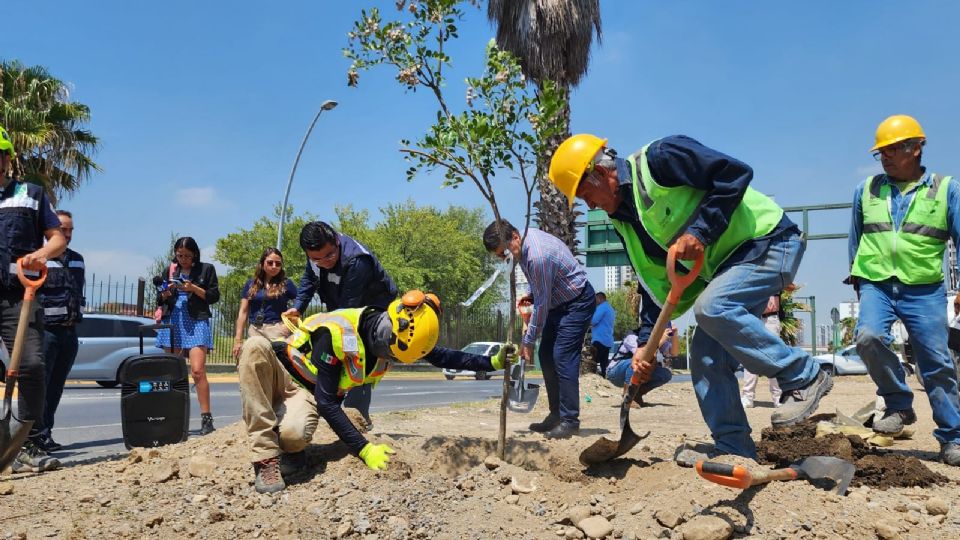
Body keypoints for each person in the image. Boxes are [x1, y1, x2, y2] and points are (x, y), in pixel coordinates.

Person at [548, 133, 832, 463]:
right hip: (728, 269)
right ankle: (734, 448)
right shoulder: (625, 222)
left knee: (712, 307)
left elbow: (734, 173)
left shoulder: (659, 160)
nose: (591, 205)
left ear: (600, 171)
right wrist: (645, 344)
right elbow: (655, 284)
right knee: (705, 356)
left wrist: (700, 231)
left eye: (585, 194)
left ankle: (804, 375)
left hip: (768, 242)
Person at [240, 290, 516, 493]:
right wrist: (364, 448)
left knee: (294, 436)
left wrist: (491, 361)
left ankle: (289, 448)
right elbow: (327, 402)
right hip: (279, 373)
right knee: (254, 347)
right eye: (391, 352)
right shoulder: (336, 333)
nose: (390, 357)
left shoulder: (395, 340)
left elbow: (445, 357)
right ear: (391, 326)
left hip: (305, 395)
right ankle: (265, 458)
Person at [848, 114, 960, 466]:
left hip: (923, 288)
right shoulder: (865, 189)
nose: (885, 157)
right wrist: (859, 281)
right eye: (881, 152)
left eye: (892, 149)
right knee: (866, 336)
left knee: (936, 364)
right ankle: (898, 404)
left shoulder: (945, 189)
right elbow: (856, 239)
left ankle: (952, 438)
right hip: (876, 282)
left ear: (916, 148)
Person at [482, 219, 596, 439]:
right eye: (498, 255)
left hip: (576, 303)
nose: (502, 258)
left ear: (515, 237)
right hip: (558, 302)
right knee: (546, 355)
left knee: (562, 356)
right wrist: (531, 297)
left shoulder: (537, 256)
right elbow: (542, 292)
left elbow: (542, 304)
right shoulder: (522, 248)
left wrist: (528, 340)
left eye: (503, 252)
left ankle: (570, 421)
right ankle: (556, 415)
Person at [283, 221, 398, 426]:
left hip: (372, 309)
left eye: (329, 256)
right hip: (344, 307)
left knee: (359, 357)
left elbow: (348, 307)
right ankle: (335, 413)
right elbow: (309, 281)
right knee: (334, 353)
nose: (324, 262)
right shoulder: (316, 259)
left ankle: (358, 418)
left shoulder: (356, 260)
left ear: (336, 240)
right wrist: (298, 307)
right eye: (316, 259)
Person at [0, 125, 67, 473]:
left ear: (8, 158)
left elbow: (57, 239)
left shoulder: (31, 193)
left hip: (17, 298)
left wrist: (41, 255)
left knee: (31, 366)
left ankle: (17, 446)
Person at [156, 237, 220, 435]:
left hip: (196, 319)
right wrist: (165, 294)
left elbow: (214, 296)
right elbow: (160, 296)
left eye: (187, 256)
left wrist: (193, 288)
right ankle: (173, 418)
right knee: (172, 372)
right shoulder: (170, 270)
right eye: (179, 255)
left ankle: (206, 418)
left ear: (195, 254)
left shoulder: (206, 269)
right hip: (173, 318)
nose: (183, 259)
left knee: (198, 371)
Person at [36, 210, 85, 452]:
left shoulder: (77, 259)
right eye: (63, 229)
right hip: (46, 332)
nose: (67, 234)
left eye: (70, 230)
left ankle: (47, 433)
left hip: (70, 332)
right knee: (41, 386)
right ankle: (36, 436)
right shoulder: (39, 258)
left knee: (56, 386)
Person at [232, 247, 297, 353]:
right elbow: (243, 312)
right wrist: (238, 340)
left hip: (277, 329)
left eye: (278, 264)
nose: (274, 266)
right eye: (270, 263)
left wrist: (288, 325)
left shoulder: (286, 283)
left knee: (278, 364)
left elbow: (299, 305)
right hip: (255, 330)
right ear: (262, 264)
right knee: (253, 363)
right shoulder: (250, 284)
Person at [606, 322, 676, 407]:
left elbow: (674, 353)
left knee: (665, 374)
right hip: (616, 373)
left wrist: (675, 334)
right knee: (638, 362)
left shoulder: (660, 340)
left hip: (634, 371)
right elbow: (643, 355)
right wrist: (661, 341)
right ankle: (627, 396)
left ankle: (637, 395)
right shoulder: (632, 337)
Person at [740, 295, 783, 408]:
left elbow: (790, 286)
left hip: (770, 317)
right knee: (750, 357)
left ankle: (778, 397)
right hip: (751, 317)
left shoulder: (775, 277)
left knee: (774, 358)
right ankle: (747, 397)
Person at [590, 292, 616, 375]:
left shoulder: (602, 307)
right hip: (607, 340)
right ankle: (604, 378)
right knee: (603, 365)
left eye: (595, 299)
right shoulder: (610, 308)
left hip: (599, 340)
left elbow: (593, 321)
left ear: (600, 298)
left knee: (592, 362)